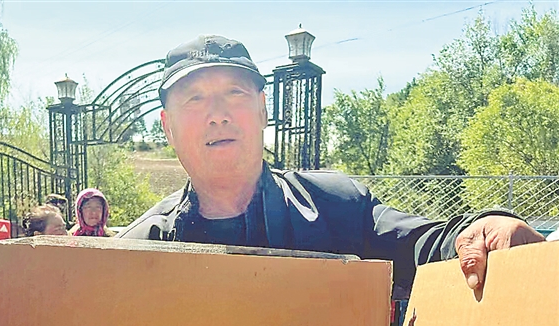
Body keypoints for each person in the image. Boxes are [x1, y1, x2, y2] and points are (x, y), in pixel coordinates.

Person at [116, 35, 544, 294]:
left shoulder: (338, 205)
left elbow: (424, 244)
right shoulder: (133, 253)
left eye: (235, 93)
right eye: (195, 99)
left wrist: (484, 228)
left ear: (263, 110)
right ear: (168, 127)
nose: (218, 114)